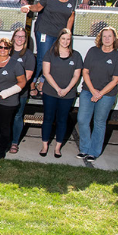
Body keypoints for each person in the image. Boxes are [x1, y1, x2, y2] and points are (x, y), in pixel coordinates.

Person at [22, 0, 78, 95]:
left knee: (54, 59)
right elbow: (38, 7)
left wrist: (67, 34)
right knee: (43, 58)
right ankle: (32, 82)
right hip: (45, 31)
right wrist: (28, 7)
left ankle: (43, 82)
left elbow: (71, 17)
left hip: (60, 34)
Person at [77, 26, 118, 161]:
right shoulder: (93, 51)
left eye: (110, 36)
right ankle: (84, 149)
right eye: (104, 36)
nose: (107, 39)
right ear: (100, 38)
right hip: (88, 92)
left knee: (99, 122)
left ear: (114, 38)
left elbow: (115, 80)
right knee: (82, 120)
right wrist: (92, 91)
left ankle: (94, 152)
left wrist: (100, 94)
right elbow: (85, 71)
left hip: (107, 95)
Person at [40, 28, 83, 158]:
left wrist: (66, 89)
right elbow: (46, 73)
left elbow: (76, 76)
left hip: (68, 94)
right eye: (63, 38)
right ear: (59, 39)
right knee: (48, 118)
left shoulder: (76, 56)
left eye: (68, 39)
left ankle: (58, 147)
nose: (65, 41)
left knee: (62, 120)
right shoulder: (50, 53)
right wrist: (58, 89)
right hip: (50, 92)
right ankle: (44, 146)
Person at [8, 27, 36, 153]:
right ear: (13, 37)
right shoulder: (6, 51)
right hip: (5, 91)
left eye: (22, 36)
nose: (20, 39)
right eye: (17, 36)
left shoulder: (29, 55)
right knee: (5, 117)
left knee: (18, 116)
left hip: (20, 92)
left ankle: (14, 142)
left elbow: (28, 76)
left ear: (26, 39)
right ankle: (4, 140)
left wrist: (11, 88)